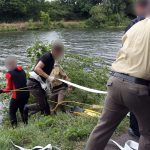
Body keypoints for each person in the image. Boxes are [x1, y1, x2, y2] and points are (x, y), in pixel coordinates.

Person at [85, 0, 150, 150]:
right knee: (147, 133)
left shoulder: (135, 26)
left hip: (115, 81)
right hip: (136, 87)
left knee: (102, 128)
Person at [24, 40, 64, 120]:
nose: (60, 54)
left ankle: (47, 122)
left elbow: (47, 71)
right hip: (33, 83)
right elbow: (37, 68)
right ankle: (26, 108)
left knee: (45, 106)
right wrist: (48, 77)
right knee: (42, 105)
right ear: (56, 51)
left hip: (40, 83)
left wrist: (53, 78)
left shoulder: (52, 59)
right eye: (60, 52)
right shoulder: (47, 56)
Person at [125, 0, 148, 138]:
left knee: (136, 102)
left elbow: (124, 48)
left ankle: (135, 129)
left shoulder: (132, 24)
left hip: (133, 69)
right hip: (141, 69)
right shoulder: (136, 23)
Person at [0, 56, 29, 127]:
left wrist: (1, 91)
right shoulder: (22, 70)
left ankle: (14, 127)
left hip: (17, 96)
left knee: (12, 112)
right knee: (22, 110)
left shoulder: (9, 74)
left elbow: (9, 88)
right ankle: (26, 124)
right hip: (26, 94)